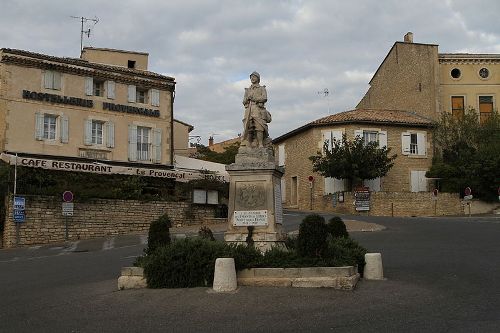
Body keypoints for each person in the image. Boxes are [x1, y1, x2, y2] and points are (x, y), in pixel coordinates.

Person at [241, 71, 272, 148]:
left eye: (254, 77)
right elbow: (244, 101)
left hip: (258, 109)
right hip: (249, 110)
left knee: (259, 126)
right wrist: (247, 98)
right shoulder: (247, 90)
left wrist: (254, 98)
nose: (252, 78)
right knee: (248, 127)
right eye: (251, 77)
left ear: (258, 78)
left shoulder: (262, 88)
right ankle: (248, 144)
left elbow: (264, 98)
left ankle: (260, 144)